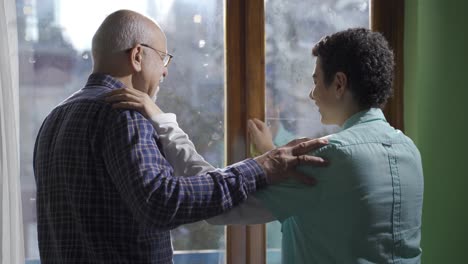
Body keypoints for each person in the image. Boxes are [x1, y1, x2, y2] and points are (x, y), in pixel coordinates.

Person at [32, 10, 329, 264]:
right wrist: (261, 167)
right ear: (137, 55)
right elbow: (162, 202)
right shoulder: (124, 113)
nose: (165, 73)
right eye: (163, 59)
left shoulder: (54, 120)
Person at [108, 28, 424, 263]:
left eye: (316, 81)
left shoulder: (328, 157)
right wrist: (270, 153)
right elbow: (338, 212)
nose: (312, 95)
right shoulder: (408, 149)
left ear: (339, 83)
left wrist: (165, 123)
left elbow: (220, 209)